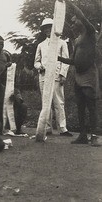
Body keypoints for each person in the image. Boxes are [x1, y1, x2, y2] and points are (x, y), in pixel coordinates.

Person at [58, 0, 100, 144]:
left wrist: (68, 2)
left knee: (91, 105)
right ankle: (83, 135)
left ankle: (94, 136)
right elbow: (73, 61)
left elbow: (81, 16)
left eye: (74, 22)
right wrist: (57, 58)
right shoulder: (76, 40)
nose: (72, 24)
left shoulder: (90, 32)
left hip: (89, 74)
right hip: (78, 75)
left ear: (81, 22)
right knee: (80, 106)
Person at [34, 18, 72, 137]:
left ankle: (63, 128)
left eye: (50, 27)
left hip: (56, 76)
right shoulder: (41, 45)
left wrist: (62, 75)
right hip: (44, 77)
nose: (47, 30)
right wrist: (40, 67)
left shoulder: (62, 43)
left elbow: (66, 60)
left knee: (59, 102)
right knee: (46, 103)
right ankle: (47, 127)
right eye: (45, 28)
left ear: (54, 28)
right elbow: (36, 61)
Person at [0, 36, 27, 134]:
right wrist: (3, 70)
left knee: (22, 106)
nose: (1, 46)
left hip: (7, 82)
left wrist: (16, 97)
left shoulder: (6, 55)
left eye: (2, 44)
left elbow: (17, 93)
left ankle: (17, 128)